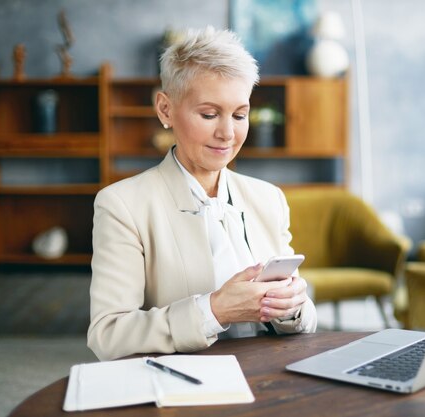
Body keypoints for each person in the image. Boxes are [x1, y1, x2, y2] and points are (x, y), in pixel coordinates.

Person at [87, 26, 317, 361]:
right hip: (182, 388)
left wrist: (292, 307)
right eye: (209, 114)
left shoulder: (269, 199)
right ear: (165, 110)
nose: (227, 133)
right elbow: (108, 336)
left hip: (267, 380)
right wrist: (214, 311)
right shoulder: (122, 205)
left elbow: (305, 321)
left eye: (240, 115)